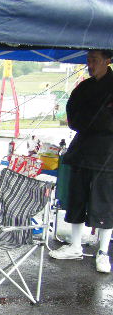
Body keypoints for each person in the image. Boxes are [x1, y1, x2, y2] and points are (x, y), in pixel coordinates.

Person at [49, 49, 113, 273]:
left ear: (107, 61)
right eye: (88, 60)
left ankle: (103, 252)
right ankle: (75, 246)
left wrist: (95, 121)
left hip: (107, 154)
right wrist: (97, 120)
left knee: (105, 202)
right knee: (77, 199)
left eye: (94, 60)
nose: (90, 65)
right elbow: (73, 116)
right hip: (82, 150)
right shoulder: (83, 87)